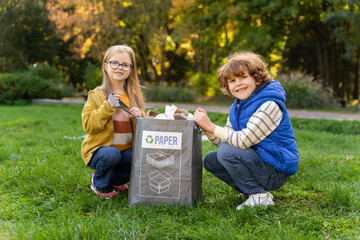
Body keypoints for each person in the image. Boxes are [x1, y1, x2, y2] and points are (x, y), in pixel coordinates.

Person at [194, 51, 299, 210]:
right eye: (232, 80)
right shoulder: (237, 107)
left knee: (226, 152)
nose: (238, 83)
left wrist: (211, 126)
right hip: (260, 163)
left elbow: (243, 141)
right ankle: (250, 191)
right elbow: (226, 141)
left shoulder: (269, 105)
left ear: (257, 78)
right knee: (211, 159)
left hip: (275, 171)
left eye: (243, 77)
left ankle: (258, 195)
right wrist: (207, 129)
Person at [81, 45, 144, 199]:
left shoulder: (133, 96)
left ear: (131, 69)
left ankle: (115, 179)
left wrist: (140, 116)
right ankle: (100, 183)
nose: (119, 68)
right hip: (101, 151)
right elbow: (89, 126)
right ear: (105, 66)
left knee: (141, 156)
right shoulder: (97, 95)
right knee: (112, 154)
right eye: (114, 63)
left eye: (125, 65)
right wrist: (106, 108)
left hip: (125, 151)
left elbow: (144, 127)